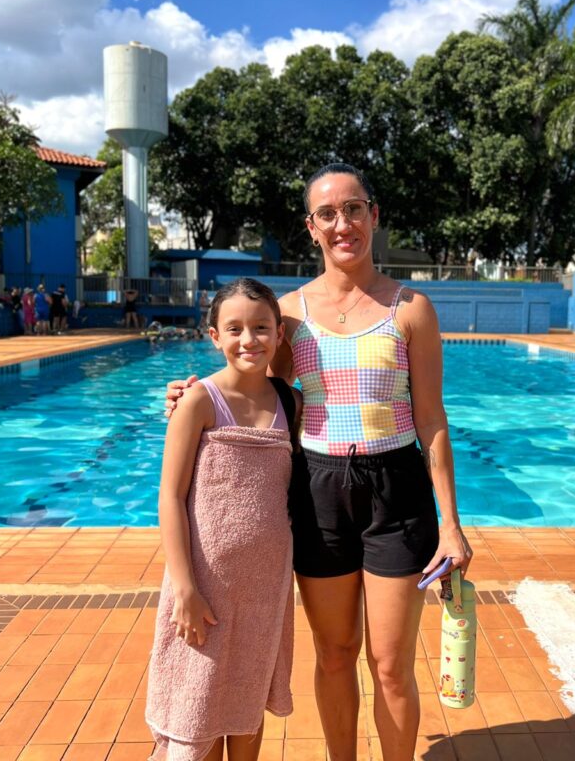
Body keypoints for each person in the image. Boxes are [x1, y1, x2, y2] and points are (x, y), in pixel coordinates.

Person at [165, 163, 472, 761]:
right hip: (319, 490)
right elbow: (260, 391)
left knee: (390, 664)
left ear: (373, 215)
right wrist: (191, 396)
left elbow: (432, 419)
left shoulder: (411, 308)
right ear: (312, 227)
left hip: (397, 488)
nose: (342, 224)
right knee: (334, 655)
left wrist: (452, 524)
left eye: (353, 209)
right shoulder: (291, 315)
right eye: (327, 214)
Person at [146, 278, 301, 761]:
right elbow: (170, 497)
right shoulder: (199, 401)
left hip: (263, 590)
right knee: (202, 708)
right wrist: (185, 589)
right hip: (206, 587)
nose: (248, 339)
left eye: (261, 328)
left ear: (279, 334)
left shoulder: (290, 404)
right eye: (234, 329)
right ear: (214, 337)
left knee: (247, 703)